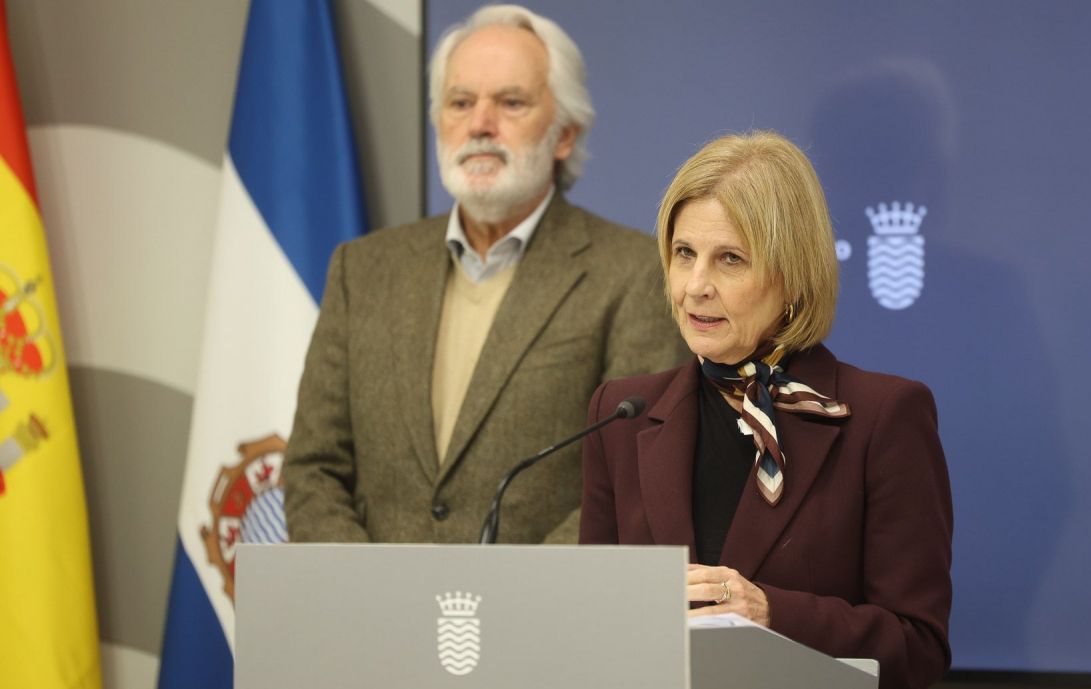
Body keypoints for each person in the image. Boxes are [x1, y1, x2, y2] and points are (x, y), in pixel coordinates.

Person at [283, 5, 685, 545]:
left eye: (511, 102)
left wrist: (503, 607)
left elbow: (633, 480)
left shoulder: (633, 274)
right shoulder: (363, 269)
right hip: (374, 618)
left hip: (539, 619)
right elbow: (313, 468)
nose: (479, 124)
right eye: (460, 102)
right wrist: (369, 595)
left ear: (564, 133)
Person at [579, 131, 952, 689]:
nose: (696, 287)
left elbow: (917, 649)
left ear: (793, 277)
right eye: (685, 254)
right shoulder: (623, 413)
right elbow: (593, 621)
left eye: (730, 259)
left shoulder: (884, 418)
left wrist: (771, 615)